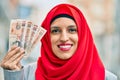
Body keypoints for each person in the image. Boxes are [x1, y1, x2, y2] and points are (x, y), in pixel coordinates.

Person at [0, 3, 117, 80]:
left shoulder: (106, 78)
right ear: (46, 37)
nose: (64, 38)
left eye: (72, 30)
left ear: (83, 35)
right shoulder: (27, 74)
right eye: (55, 31)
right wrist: (12, 76)